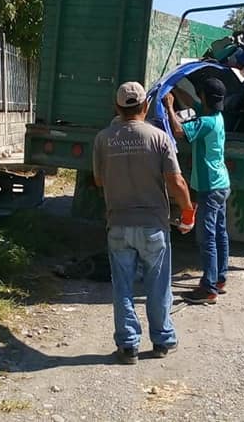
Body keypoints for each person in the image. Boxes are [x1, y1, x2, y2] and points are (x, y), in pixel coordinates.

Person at [93, 82, 195, 365]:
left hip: (118, 224)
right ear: (146, 106)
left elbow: (99, 181)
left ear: (116, 108)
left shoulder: (103, 139)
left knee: (122, 286)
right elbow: (176, 181)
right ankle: (162, 340)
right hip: (153, 225)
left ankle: (128, 346)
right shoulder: (159, 137)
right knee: (158, 285)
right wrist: (187, 211)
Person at [163, 78, 231, 305]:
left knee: (206, 237)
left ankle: (208, 288)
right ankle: (220, 278)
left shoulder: (206, 122)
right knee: (220, 233)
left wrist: (169, 107)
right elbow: (192, 101)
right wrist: (175, 87)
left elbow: (179, 131)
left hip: (209, 186)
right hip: (221, 183)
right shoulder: (216, 117)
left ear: (205, 97)